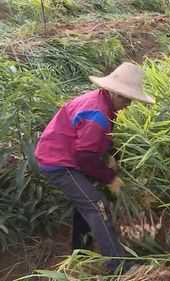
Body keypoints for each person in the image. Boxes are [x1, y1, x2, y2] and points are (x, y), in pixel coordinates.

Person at [35, 62, 154, 271]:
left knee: (85, 200)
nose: (129, 104)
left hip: (65, 154)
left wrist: (109, 155)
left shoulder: (102, 102)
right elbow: (84, 159)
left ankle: (80, 251)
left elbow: (94, 141)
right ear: (115, 93)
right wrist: (111, 178)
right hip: (59, 163)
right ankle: (119, 266)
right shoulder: (98, 113)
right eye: (127, 99)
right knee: (96, 205)